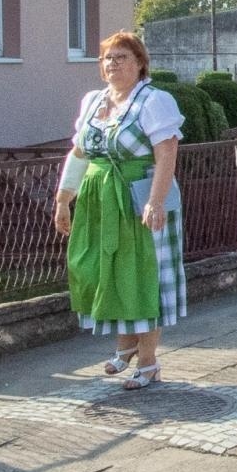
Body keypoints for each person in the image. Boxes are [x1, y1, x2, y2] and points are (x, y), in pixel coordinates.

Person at [53, 31, 186, 390]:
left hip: (139, 200)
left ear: (140, 63)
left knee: (142, 277)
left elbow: (167, 153)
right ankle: (126, 345)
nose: (112, 64)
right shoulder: (93, 101)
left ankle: (148, 361)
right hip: (99, 202)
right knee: (104, 271)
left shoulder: (154, 101)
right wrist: (64, 198)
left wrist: (156, 201)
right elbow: (80, 153)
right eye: (107, 58)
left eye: (121, 57)